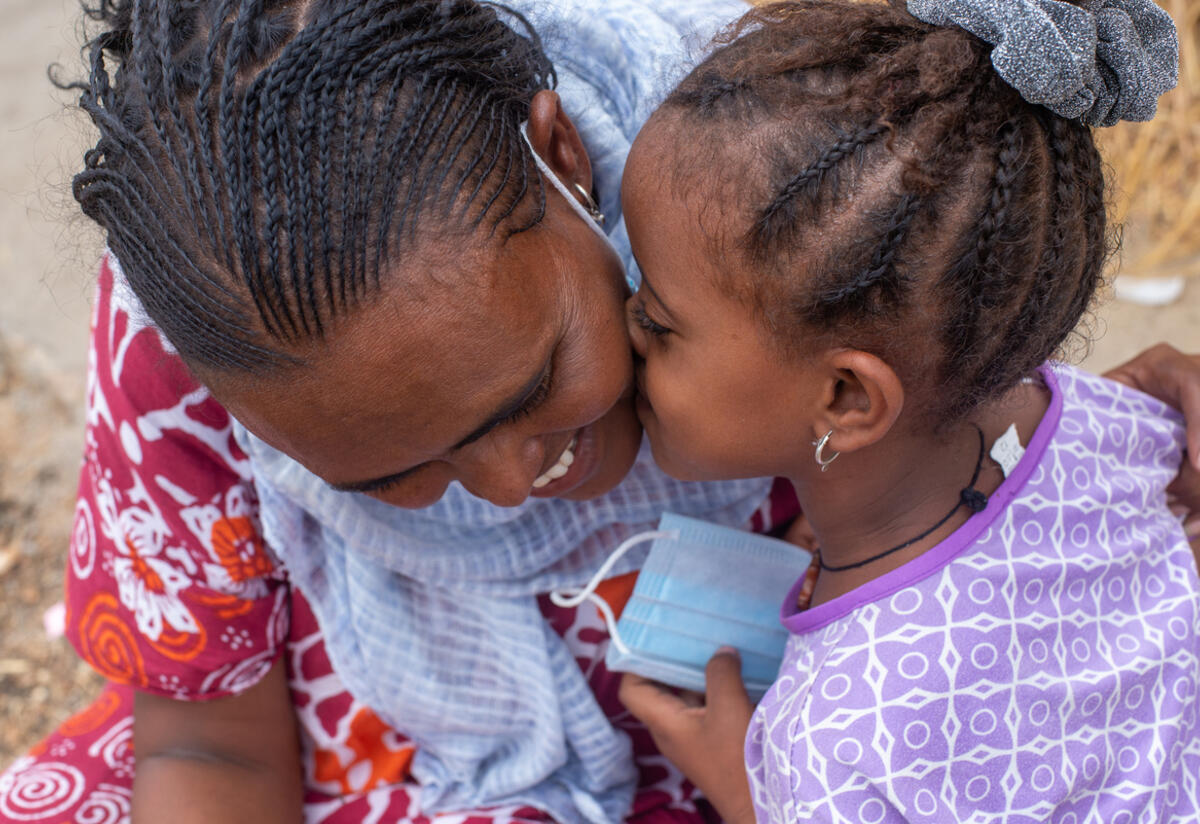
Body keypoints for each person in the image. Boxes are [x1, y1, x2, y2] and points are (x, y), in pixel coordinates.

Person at [0, 0, 1195, 823]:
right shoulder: (194, 343)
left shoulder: (757, 170)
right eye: (386, 474)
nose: (517, 481)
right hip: (425, 752)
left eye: (529, 386)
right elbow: (205, 745)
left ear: (564, 151)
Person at [616, 0, 1199, 820]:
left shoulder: (825, 750)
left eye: (661, 323)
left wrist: (748, 797)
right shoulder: (1117, 420)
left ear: (847, 399)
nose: (627, 325)